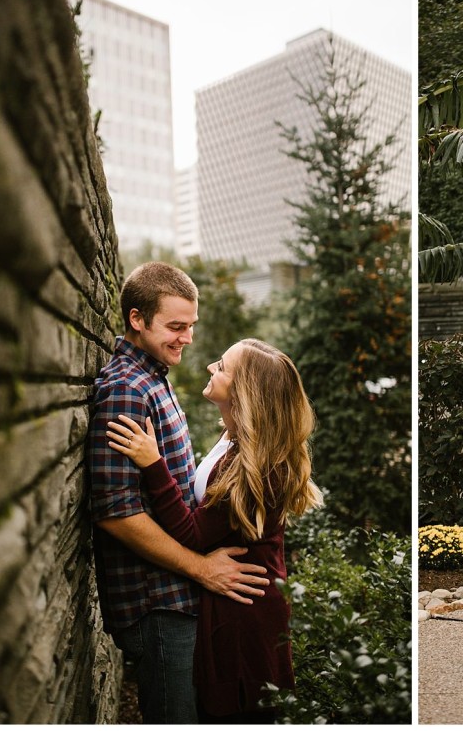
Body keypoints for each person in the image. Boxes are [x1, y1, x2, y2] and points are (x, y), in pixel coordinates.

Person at [106, 338, 323, 723]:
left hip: (244, 611)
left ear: (244, 392)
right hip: (231, 598)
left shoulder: (260, 468)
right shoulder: (233, 437)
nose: (210, 367)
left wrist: (153, 464)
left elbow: (193, 533)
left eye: (221, 367)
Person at [88, 262, 270, 724]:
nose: (186, 338)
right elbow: (115, 513)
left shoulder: (153, 380)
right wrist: (202, 569)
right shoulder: (127, 391)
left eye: (190, 326)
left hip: (177, 598)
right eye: (174, 326)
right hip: (156, 603)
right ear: (136, 319)